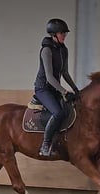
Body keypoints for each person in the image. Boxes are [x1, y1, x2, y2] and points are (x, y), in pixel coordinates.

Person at [34, 18, 79, 157]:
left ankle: (58, 141)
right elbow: (49, 77)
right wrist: (64, 91)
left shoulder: (63, 50)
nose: (64, 35)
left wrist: (75, 89)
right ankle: (45, 145)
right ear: (53, 34)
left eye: (65, 33)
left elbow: (64, 72)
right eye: (62, 33)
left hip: (54, 88)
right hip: (43, 88)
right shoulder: (46, 50)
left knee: (68, 110)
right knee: (58, 113)